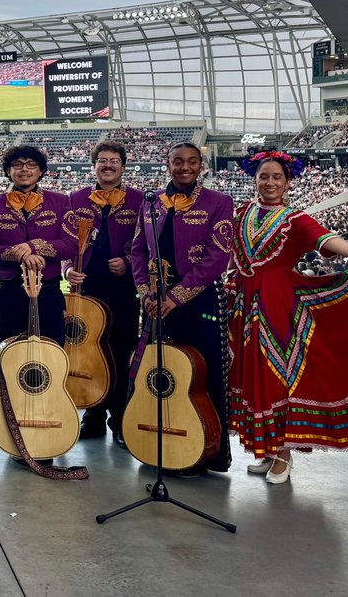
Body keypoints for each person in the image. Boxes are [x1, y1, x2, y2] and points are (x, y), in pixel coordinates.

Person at [226, 151, 348, 486]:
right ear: (254, 180)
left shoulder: (294, 219)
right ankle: (268, 450)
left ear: (287, 182)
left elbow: (326, 239)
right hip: (245, 304)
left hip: (279, 305)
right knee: (253, 372)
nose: (270, 183)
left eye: (277, 178)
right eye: (264, 177)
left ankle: (283, 453)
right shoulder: (242, 212)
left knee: (277, 374)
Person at [130, 142, 234, 476]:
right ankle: (159, 445)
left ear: (200, 165)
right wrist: (146, 292)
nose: (184, 167)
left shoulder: (219, 202)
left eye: (191, 162)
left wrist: (176, 297)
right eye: (177, 161)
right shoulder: (151, 203)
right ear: (167, 164)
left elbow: (216, 258)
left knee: (203, 376)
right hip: (156, 303)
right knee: (158, 374)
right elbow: (138, 252)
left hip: (198, 302)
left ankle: (206, 452)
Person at [63, 139, 145, 444]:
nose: (108, 165)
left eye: (114, 160)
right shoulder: (76, 198)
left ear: (123, 166)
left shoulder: (139, 200)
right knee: (87, 353)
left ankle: (121, 419)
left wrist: (127, 263)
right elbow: (65, 242)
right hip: (87, 290)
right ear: (94, 164)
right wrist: (67, 271)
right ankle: (93, 416)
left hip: (123, 291)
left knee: (121, 352)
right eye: (102, 160)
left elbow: (149, 245)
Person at [0, 145, 76, 347]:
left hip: (48, 293)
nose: (24, 169)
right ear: (8, 171)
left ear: (40, 171)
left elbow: (71, 244)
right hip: (8, 293)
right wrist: (20, 255)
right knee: (7, 358)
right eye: (17, 164)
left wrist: (34, 246)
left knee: (53, 357)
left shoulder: (60, 201)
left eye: (31, 165)